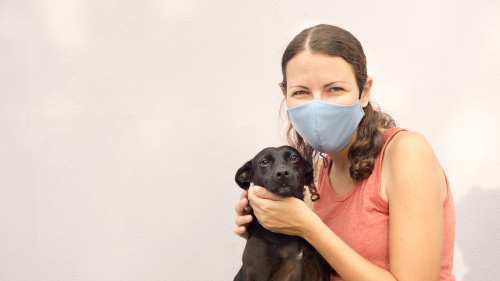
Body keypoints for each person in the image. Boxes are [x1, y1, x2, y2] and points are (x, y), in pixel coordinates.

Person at [234, 24, 456, 281]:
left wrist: (307, 226)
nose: (317, 105)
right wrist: (267, 226)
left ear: (364, 92)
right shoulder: (313, 176)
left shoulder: (406, 153)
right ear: (286, 96)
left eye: (334, 89)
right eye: (302, 92)